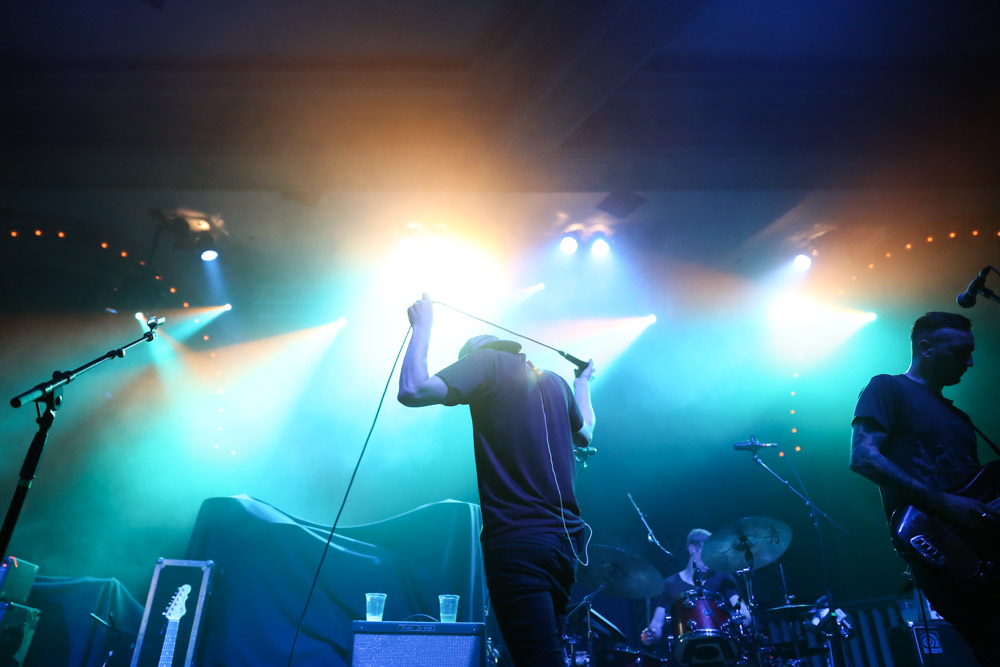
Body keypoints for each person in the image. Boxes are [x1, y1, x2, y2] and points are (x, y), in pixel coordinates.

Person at [397, 293, 596, 667]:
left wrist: (422, 326)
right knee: (546, 655)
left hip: (519, 543)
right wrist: (582, 382)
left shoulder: (485, 362)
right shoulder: (556, 383)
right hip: (563, 548)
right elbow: (586, 433)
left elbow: (412, 389)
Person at [850, 311, 1000, 666]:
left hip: (981, 545)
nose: (969, 362)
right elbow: (864, 458)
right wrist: (945, 504)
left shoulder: (961, 419)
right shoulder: (887, 388)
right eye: (959, 351)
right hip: (938, 544)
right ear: (927, 348)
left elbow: (976, 491)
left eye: (971, 353)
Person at [640, 528, 748, 648]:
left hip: (722, 646)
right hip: (686, 650)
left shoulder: (722, 576)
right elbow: (656, 624)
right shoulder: (670, 584)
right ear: (692, 549)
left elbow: (742, 610)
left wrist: (745, 617)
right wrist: (650, 635)